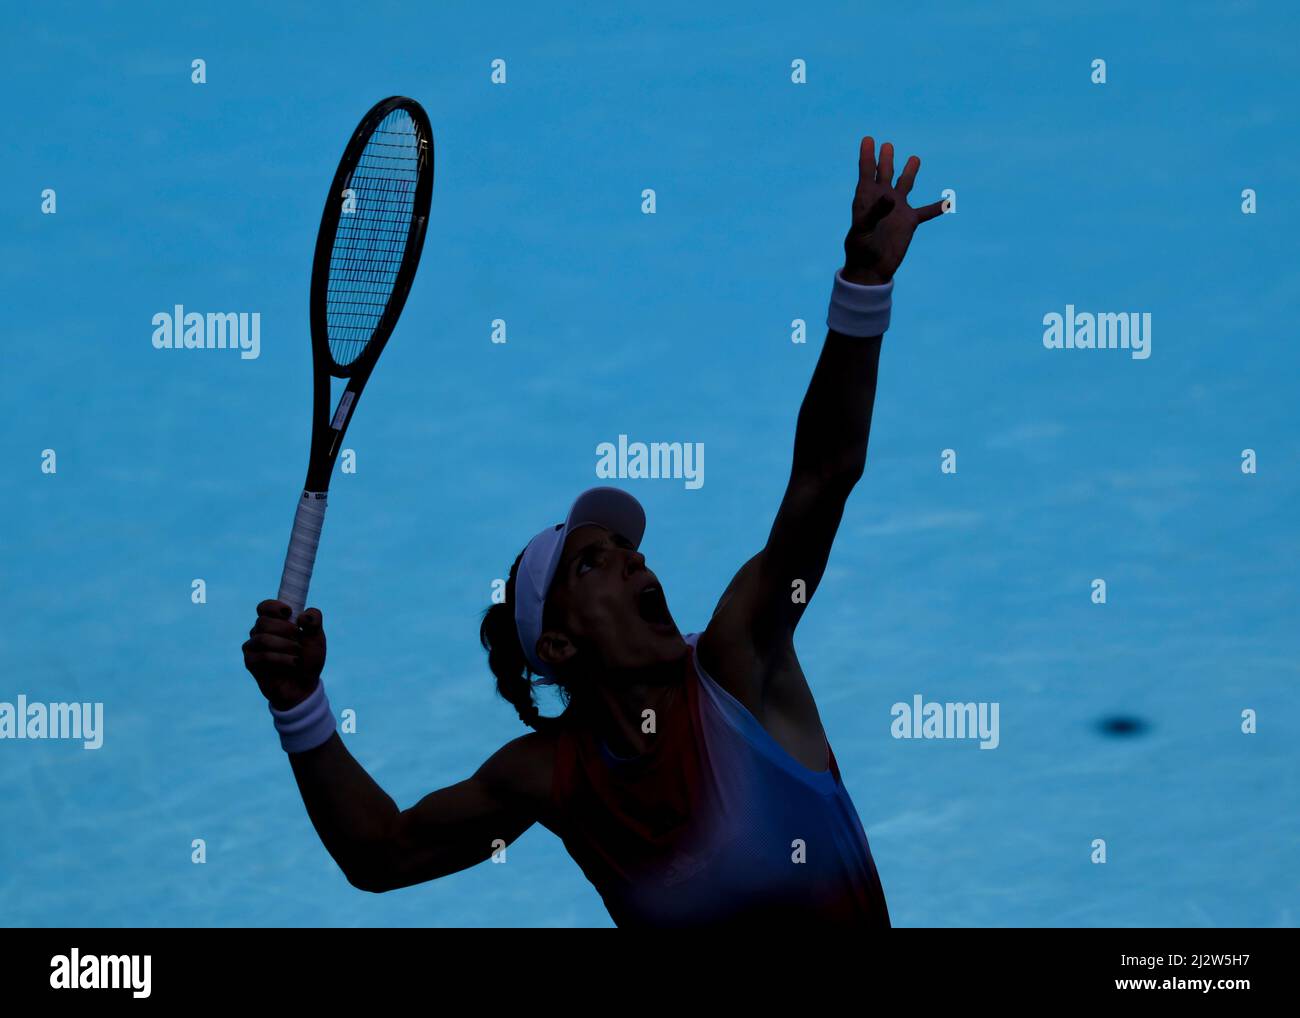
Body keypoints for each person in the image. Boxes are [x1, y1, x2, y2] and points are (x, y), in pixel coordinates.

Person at [243, 136, 945, 926]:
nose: (632, 562)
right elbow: (381, 855)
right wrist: (298, 702)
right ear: (560, 649)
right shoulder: (548, 778)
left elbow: (824, 477)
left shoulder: (741, 663)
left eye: (627, 552)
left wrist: (863, 288)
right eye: (593, 565)